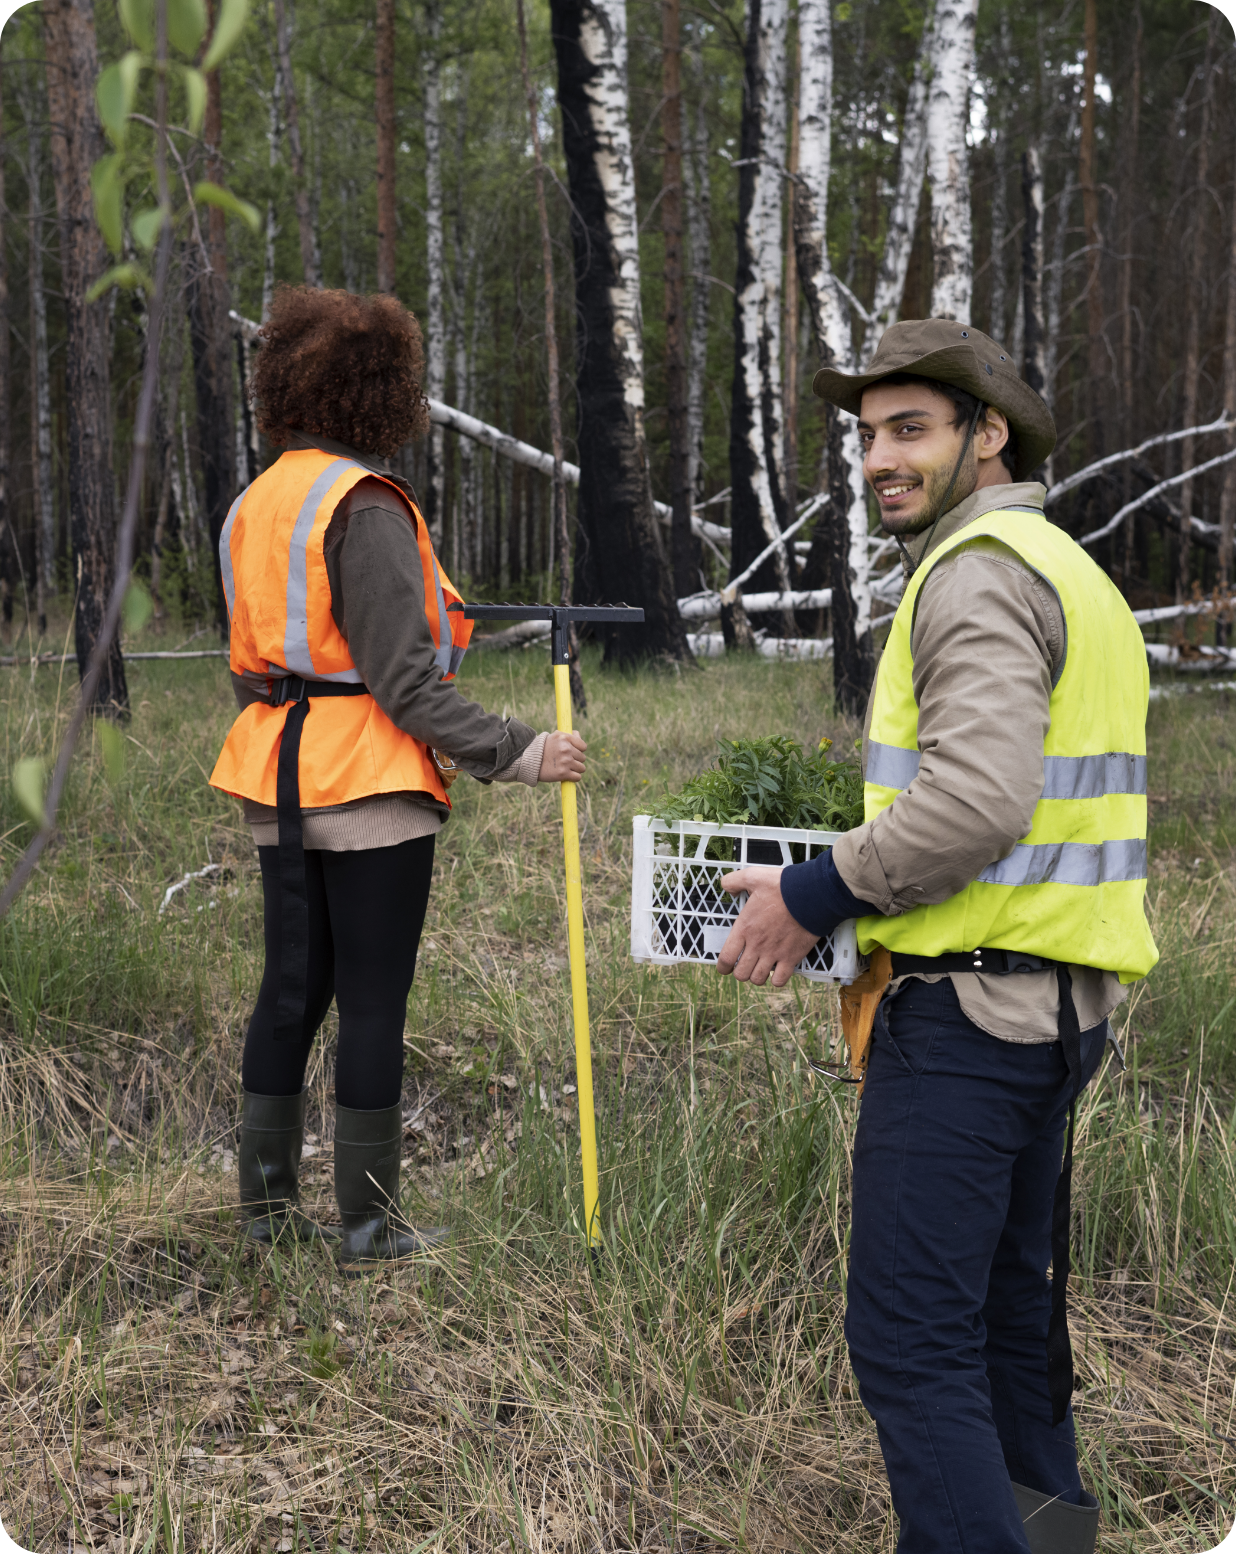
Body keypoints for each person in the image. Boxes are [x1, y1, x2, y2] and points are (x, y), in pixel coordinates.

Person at [716, 319, 1156, 1554]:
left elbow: (975, 801)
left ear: (987, 433)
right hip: (1054, 1015)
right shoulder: (1072, 572)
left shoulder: (972, 574)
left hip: (965, 1021)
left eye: (910, 428)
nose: (877, 460)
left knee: (911, 1344)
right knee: (1011, 1326)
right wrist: (837, 878)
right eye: (866, 435)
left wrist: (814, 896)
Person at [210, 286, 586, 1275]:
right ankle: (369, 1231)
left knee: (289, 996)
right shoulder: (363, 503)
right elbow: (405, 682)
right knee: (373, 1002)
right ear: (381, 392)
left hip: (274, 768)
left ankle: (265, 1217)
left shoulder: (257, 503)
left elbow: (252, 662)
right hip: (366, 778)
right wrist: (521, 750)